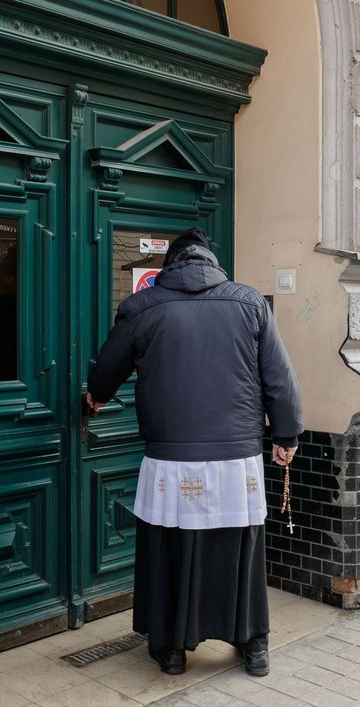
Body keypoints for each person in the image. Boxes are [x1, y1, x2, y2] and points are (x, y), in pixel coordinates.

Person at [85, 227, 302, 677]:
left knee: (171, 545)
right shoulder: (249, 303)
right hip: (236, 451)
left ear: (171, 265)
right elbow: (279, 378)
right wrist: (286, 436)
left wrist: (96, 396)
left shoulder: (142, 306)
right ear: (211, 262)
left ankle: (171, 649)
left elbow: (108, 367)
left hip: (171, 451)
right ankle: (253, 643)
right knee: (240, 547)